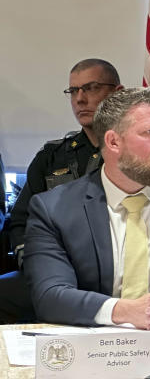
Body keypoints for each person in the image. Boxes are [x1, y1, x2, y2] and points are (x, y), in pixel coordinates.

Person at [23, 87, 150, 329]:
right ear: (113, 141)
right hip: (98, 347)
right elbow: (50, 294)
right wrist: (126, 311)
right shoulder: (54, 209)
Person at [0, 58, 123, 323]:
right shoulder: (51, 157)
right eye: (74, 91)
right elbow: (21, 222)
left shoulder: (134, 156)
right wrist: (35, 263)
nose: (80, 99)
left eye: (91, 88)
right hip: (53, 274)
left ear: (117, 92)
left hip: (116, 277)